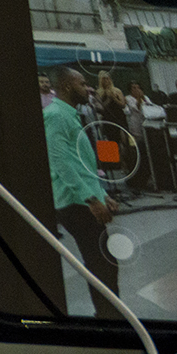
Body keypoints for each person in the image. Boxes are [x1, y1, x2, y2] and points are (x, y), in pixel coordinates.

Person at [43, 66, 120, 318]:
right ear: (66, 87)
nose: (88, 88)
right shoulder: (55, 116)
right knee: (101, 263)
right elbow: (61, 163)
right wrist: (91, 200)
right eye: (82, 83)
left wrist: (102, 194)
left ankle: (110, 313)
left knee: (104, 262)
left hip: (85, 198)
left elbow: (80, 164)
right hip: (76, 203)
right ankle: (108, 316)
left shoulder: (70, 115)